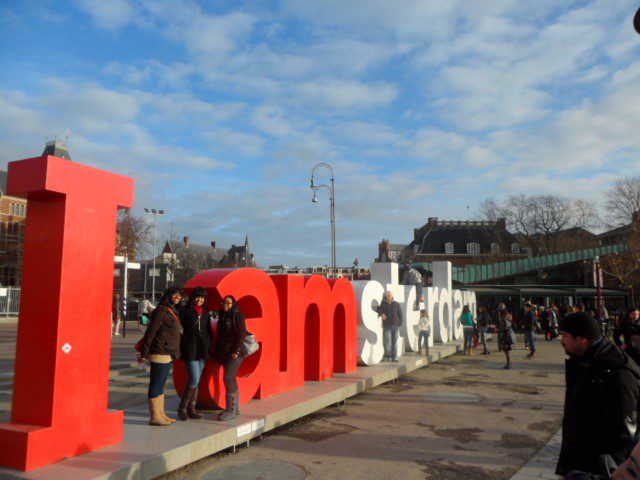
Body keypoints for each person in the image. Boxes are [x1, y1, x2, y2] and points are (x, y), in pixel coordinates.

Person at [556, 312, 640, 477]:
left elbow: (624, 434)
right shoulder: (587, 361)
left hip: (598, 468)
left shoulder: (616, 372)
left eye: (565, 336)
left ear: (582, 339)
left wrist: (609, 473)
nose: (562, 341)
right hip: (581, 463)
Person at [138, 287, 183, 426]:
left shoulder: (172, 311)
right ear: (168, 296)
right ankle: (154, 416)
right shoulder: (160, 311)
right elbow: (150, 333)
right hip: (159, 352)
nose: (177, 297)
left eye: (179, 295)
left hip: (168, 353)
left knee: (161, 385)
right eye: (174, 294)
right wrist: (144, 353)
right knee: (156, 384)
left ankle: (161, 414)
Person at [178, 286, 213, 421]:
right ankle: (182, 408)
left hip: (203, 350)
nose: (200, 300)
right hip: (190, 350)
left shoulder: (206, 312)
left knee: (197, 380)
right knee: (194, 378)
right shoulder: (185, 311)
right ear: (193, 297)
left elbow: (208, 330)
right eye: (197, 297)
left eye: (202, 297)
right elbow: (179, 329)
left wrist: (209, 345)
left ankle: (192, 408)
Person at [215, 295, 247, 421]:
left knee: (228, 377)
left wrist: (236, 351)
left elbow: (242, 334)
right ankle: (236, 409)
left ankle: (230, 410)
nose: (225, 305)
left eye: (228, 303)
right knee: (231, 378)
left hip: (235, 353)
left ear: (233, 304)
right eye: (223, 302)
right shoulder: (223, 316)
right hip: (226, 352)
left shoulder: (237, 315)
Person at [377, 291, 403, 362]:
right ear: (386, 296)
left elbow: (400, 314)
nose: (389, 296)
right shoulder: (383, 303)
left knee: (395, 342)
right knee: (387, 342)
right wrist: (382, 314)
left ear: (392, 296)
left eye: (390, 295)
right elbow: (378, 309)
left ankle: (394, 357)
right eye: (388, 295)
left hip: (395, 325)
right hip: (387, 325)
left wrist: (399, 323)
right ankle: (387, 356)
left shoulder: (396, 304)